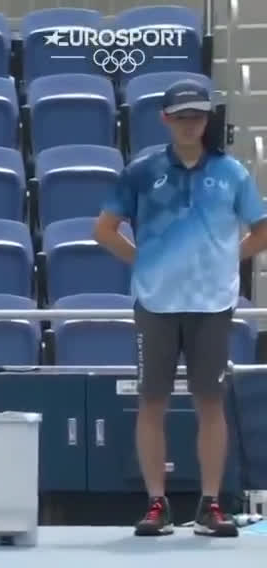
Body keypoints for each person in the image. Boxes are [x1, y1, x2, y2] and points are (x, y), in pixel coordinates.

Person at [94, 79, 267, 538]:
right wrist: (144, 261)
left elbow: (262, 229)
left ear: (207, 119)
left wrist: (227, 259)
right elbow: (104, 229)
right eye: (182, 116)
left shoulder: (232, 173)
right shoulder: (142, 171)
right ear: (166, 119)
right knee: (152, 401)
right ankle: (157, 504)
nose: (191, 123)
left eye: (198, 116)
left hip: (212, 305)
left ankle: (211, 505)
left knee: (210, 402)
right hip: (156, 304)